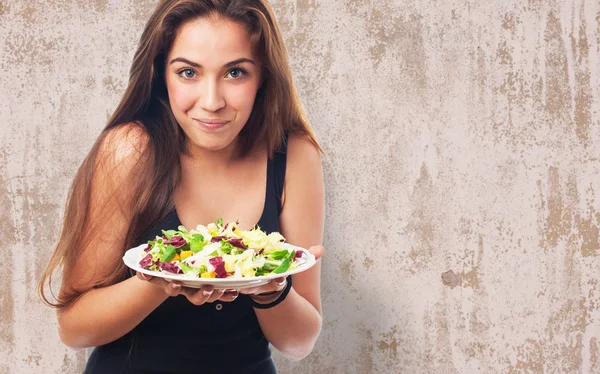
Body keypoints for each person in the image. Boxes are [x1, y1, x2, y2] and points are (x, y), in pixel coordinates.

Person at [38, 1, 325, 373]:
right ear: (161, 74)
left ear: (264, 78)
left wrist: (272, 288)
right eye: (188, 72)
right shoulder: (131, 150)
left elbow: (299, 343)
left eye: (235, 72)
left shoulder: (294, 154)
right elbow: (74, 328)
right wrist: (161, 282)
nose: (211, 102)